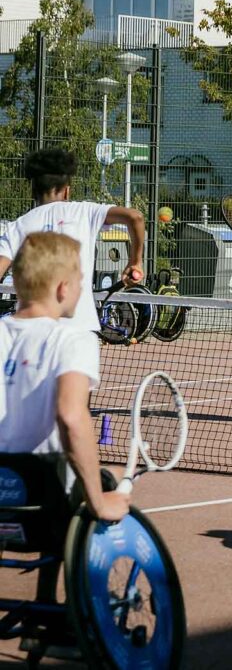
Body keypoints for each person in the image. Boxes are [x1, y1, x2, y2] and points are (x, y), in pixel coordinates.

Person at [0, 233, 131, 607]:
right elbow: (71, 418)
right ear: (62, 288)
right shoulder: (72, 340)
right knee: (99, 482)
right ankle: (73, 609)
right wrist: (98, 500)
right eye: (81, 282)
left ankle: (45, 603)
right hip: (45, 505)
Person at [0, 148, 146, 333]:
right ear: (67, 190)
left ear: (33, 190)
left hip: (32, 334)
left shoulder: (17, 226)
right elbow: (136, 218)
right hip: (80, 331)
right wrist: (135, 262)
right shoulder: (85, 212)